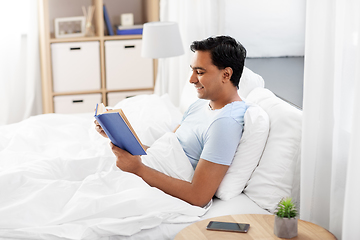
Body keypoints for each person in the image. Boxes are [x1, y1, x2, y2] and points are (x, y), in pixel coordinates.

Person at [95, 36, 248, 207]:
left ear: (226, 74)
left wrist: (138, 169)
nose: (191, 79)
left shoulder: (226, 123)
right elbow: (165, 153)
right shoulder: (200, 105)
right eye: (192, 71)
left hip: (150, 184)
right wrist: (116, 134)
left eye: (200, 72)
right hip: (147, 170)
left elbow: (198, 196)